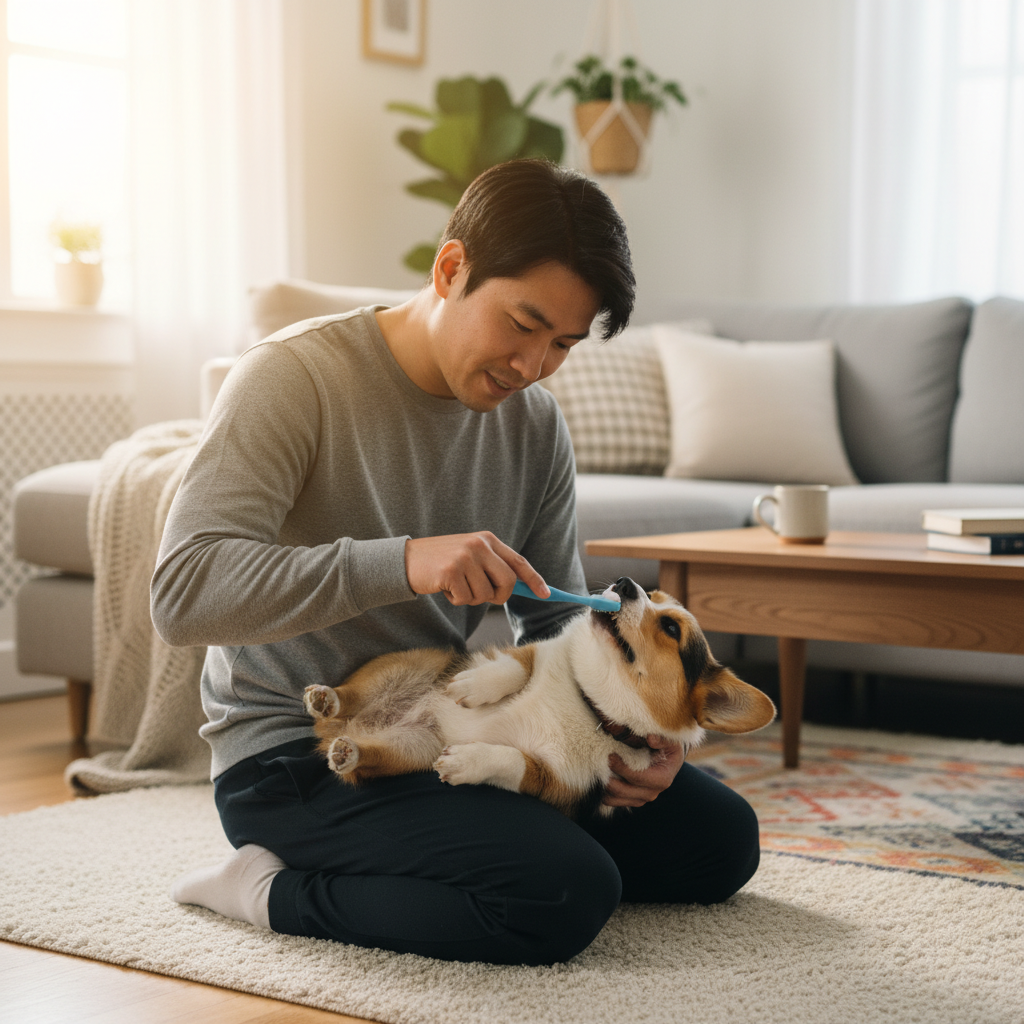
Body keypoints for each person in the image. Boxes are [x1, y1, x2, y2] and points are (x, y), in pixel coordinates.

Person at [153, 159, 760, 967]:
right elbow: (183, 593)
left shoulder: (534, 424)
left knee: (720, 844)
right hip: (302, 754)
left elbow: (553, 619)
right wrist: (402, 563)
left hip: (464, 730)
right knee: (564, 894)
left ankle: (483, 843)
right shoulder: (293, 378)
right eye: (522, 323)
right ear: (451, 268)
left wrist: (643, 738)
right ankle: (266, 890)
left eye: (562, 345)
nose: (532, 366)